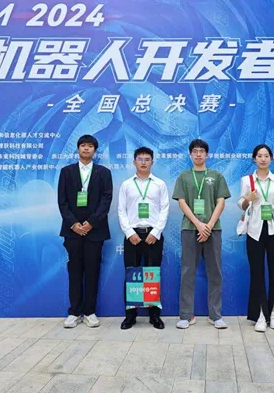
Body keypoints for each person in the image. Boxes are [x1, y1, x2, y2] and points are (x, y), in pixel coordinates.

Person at [173, 138, 231, 329]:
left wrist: (209, 225)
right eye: (195, 151)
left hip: (213, 229)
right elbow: (182, 202)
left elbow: (221, 202)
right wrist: (198, 224)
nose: (198, 154)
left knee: (215, 272)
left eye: (201, 151)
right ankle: (186, 316)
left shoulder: (216, 176)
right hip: (190, 229)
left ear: (207, 154)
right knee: (187, 272)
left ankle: (215, 315)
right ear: (190, 154)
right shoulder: (183, 176)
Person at [57, 134, 113, 328]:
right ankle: (74, 312)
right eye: (83, 145)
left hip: (95, 231)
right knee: (74, 270)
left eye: (90, 146)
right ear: (78, 149)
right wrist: (74, 224)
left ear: (95, 150)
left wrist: (90, 223)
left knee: (92, 271)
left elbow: (106, 200)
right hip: (72, 231)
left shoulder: (103, 172)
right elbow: (62, 201)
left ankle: (89, 311)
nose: (86, 148)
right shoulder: (66, 172)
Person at [238, 144, 274, 331]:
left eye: (266, 156)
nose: (263, 159)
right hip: (254, 231)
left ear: (271, 158)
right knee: (257, 274)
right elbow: (241, 204)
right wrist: (248, 199)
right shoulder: (247, 180)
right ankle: (261, 315)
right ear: (254, 159)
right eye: (259, 156)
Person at [118, 147, 170, 330]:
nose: (143, 162)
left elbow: (164, 209)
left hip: (153, 235)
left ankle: (154, 316)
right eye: (140, 159)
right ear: (134, 162)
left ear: (152, 162)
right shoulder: (126, 185)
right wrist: (129, 233)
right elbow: (121, 210)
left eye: (147, 159)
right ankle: (130, 316)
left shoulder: (159, 184)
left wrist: (156, 232)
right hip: (132, 235)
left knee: (152, 276)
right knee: (131, 275)